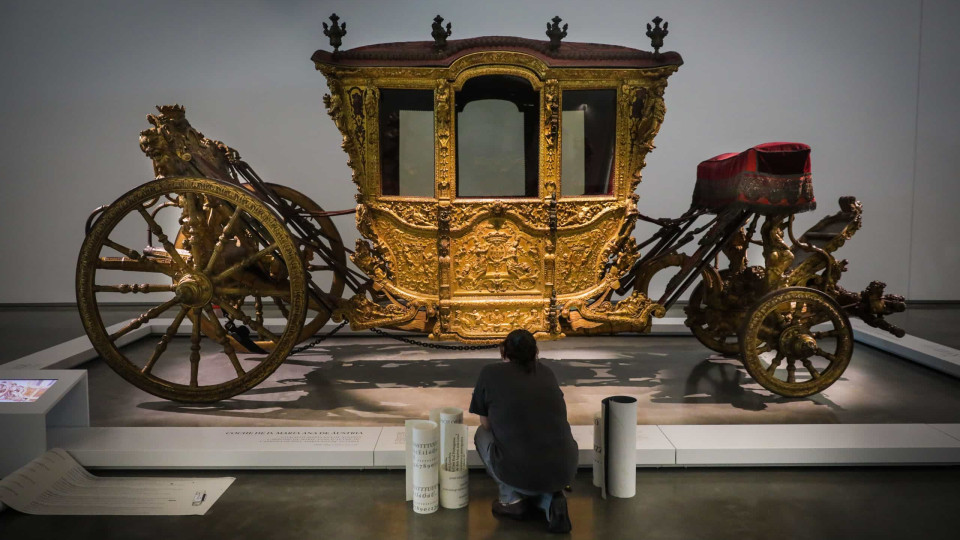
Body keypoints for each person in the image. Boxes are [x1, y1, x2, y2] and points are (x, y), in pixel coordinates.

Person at [469, 328, 578, 534]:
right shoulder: (547, 372)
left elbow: (486, 425)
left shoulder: (489, 373)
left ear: (504, 351)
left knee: (481, 435)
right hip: (565, 469)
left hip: (520, 469)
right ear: (535, 352)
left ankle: (511, 500)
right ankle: (550, 501)